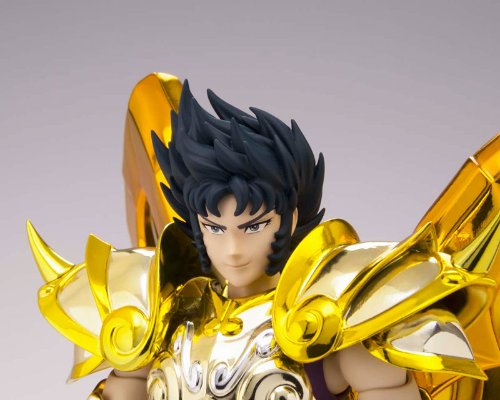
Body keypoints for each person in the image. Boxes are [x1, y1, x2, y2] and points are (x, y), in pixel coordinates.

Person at [28, 74, 499, 400]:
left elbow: (388, 389)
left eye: (252, 226)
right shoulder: (161, 319)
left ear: (289, 219)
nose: (233, 250)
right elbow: (124, 387)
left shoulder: (325, 323)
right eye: (215, 228)